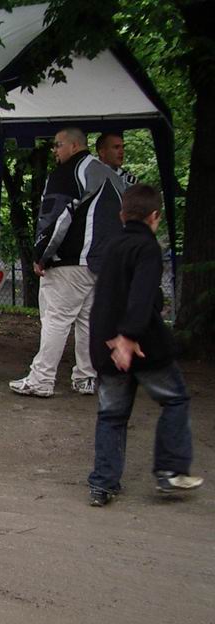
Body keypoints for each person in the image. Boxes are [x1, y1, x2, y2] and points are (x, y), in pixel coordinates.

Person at [86, 184, 202, 506]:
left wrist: (108, 343)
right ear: (155, 217)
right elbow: (141, 295)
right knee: (175, 399)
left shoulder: (111, 247)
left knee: (111, 414)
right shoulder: (148, 248)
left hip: (106, 344)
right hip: (142, 345)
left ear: (123, 215)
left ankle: (103, 484)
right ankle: (170, 471)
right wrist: (129, 336)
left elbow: (106, 298)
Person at [9, 127, 126, 398]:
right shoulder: (111, 175)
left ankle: (41, 379)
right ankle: (86, 377)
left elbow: (58, 217)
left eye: (58, 145)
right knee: (87, 320)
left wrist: (41, 255)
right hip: (104, 263)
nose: (54, 151)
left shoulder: (68, 172)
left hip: (72, 262)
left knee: (56, 318)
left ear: (74, 146)